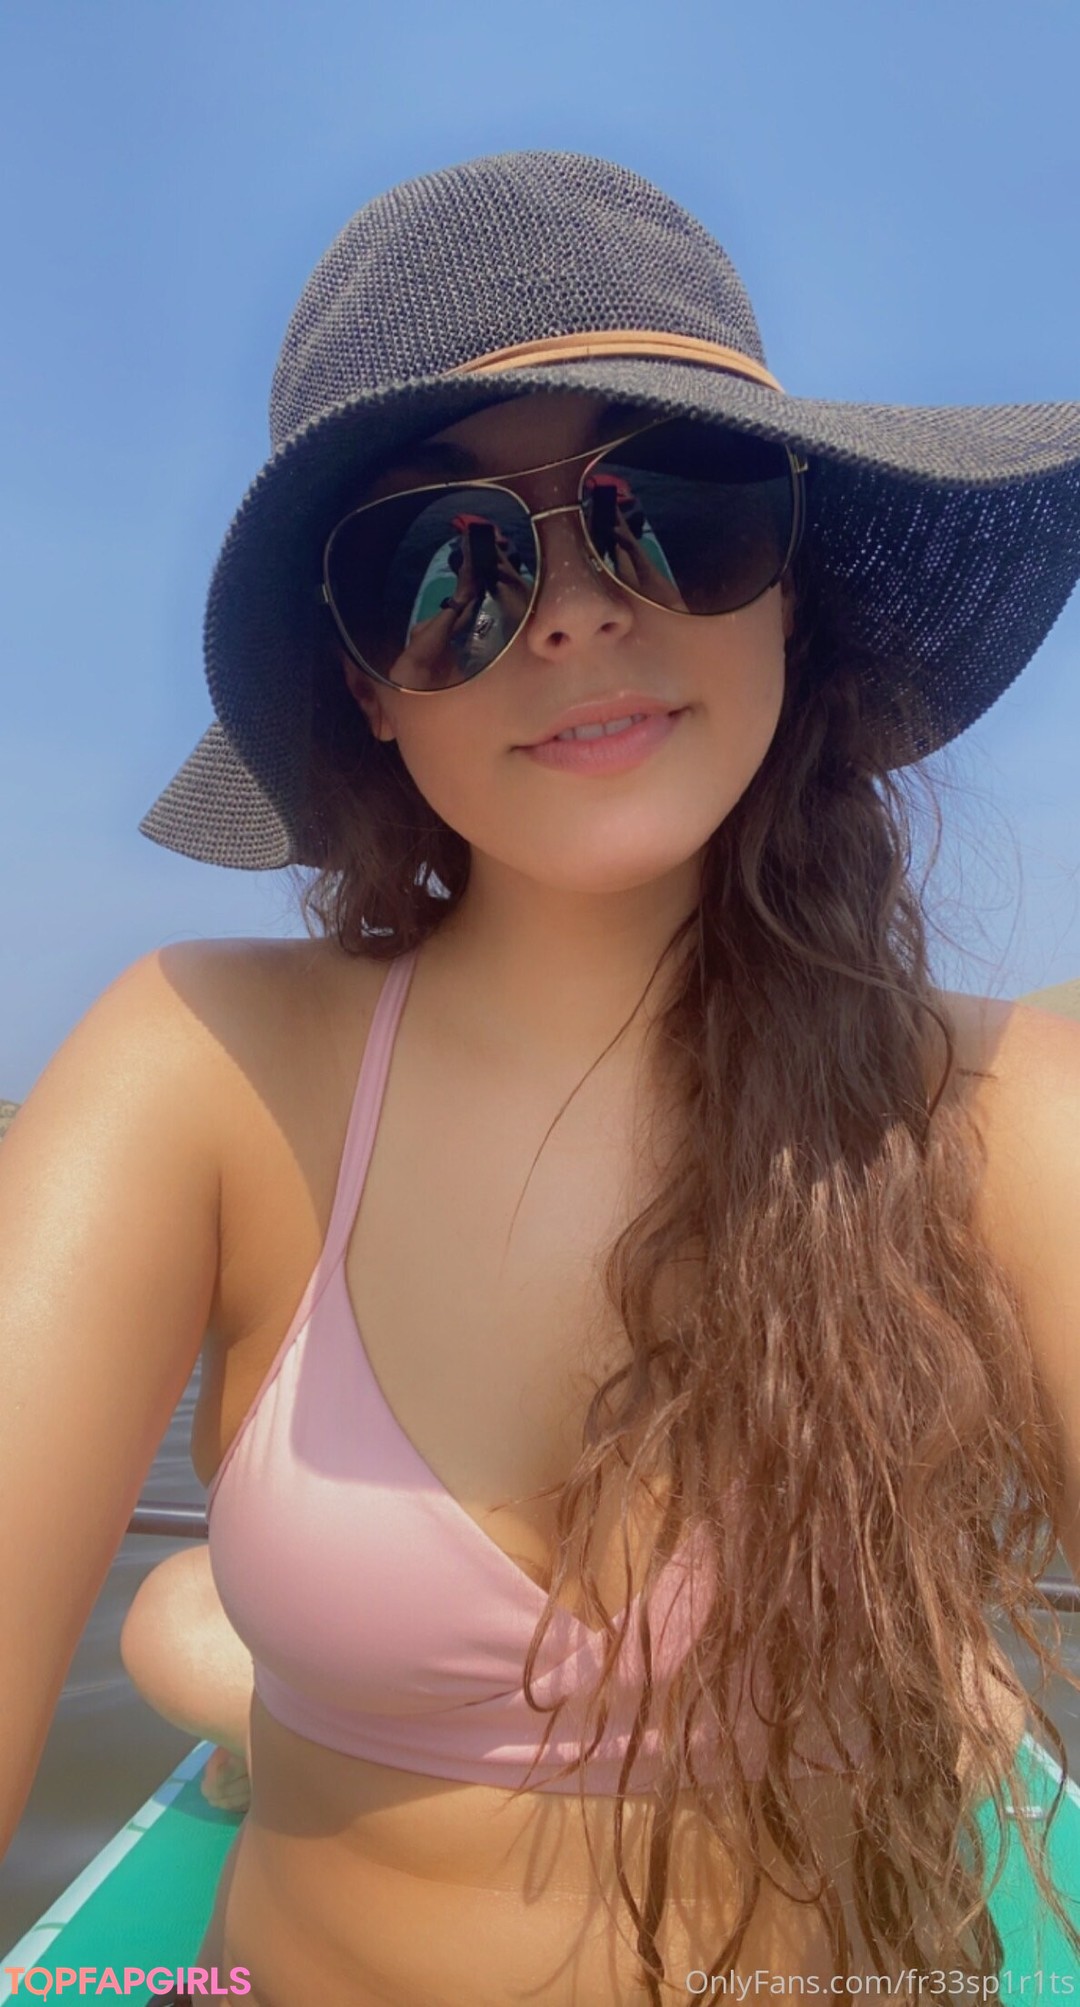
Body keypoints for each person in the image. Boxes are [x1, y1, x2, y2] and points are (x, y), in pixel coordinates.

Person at [2, 150, 1080, 2006]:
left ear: (793, 582)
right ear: (364, 681)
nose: (573, 613)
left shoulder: (1001, 1121)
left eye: (674, 509)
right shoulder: (204, 1077)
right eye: (443, 562)